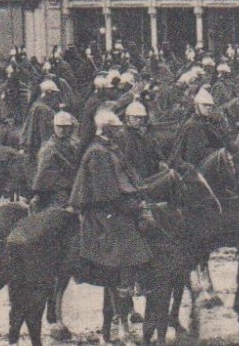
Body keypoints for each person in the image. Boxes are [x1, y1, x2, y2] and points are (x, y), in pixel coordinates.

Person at [67, 109, 173, 297]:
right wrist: (131, 205)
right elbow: (106, 192)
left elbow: (127, 178)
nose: (119, 131)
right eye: (115, 128)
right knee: (128, 235)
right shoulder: (97, 152)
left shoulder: (110, 148)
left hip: (115, 202)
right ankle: (125, 284)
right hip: (102, 208)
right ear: (106, 129)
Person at [30, 111, 80, 211]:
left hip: (72, 187)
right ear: (54, 127)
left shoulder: (73, 145)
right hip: (56, 191)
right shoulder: (49, 148)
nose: (62, 130)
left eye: (65, 127)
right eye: (59, 126)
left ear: (70, 128)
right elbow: (43, 173)